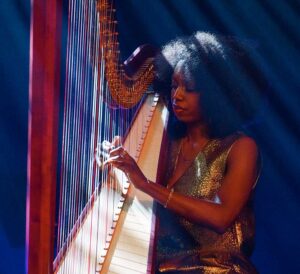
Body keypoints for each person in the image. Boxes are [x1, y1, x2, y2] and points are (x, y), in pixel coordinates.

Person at [105, 32, 265, 273]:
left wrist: (145, 183)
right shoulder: (166, 146)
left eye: (188, 88)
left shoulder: (240, 148)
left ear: (215, 94)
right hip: (165, 267)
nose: (177, 95)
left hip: (215, 267)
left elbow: (221, 216)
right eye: (174, 85)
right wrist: (113, 167)